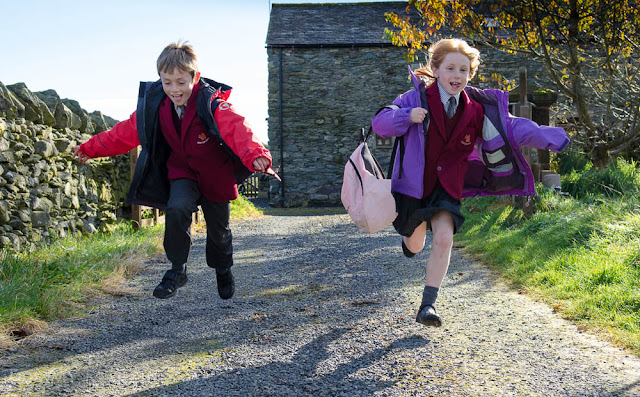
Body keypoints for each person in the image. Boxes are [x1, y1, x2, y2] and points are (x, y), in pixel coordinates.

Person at [372, 38, 569, 327]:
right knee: (415, 244)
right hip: (413, 186)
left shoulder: (476, 110)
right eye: (450, 68)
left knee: (444, 239)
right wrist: (406, 116)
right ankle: (410, 242)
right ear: (436, 70)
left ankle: (427, 305)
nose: (457, 76)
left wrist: (552, 137)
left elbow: (512, 127)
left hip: (447, 187)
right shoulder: (414, 99)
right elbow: (380, 123)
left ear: (471, 74)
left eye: (463, 70)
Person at [73, 41, 276, 300]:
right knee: (177, 207)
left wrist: (256, 154)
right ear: (160, 79)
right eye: (167, 82)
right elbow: (123, 133)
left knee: (219, 231)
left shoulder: (211, 102)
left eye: (181, 82)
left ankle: (223, 268)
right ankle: (177, 269)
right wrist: (90, 149)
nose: (173, 89)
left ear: (195, 77)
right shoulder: (154, 106)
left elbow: (238, 128)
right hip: (182, 171)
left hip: (216, 175)